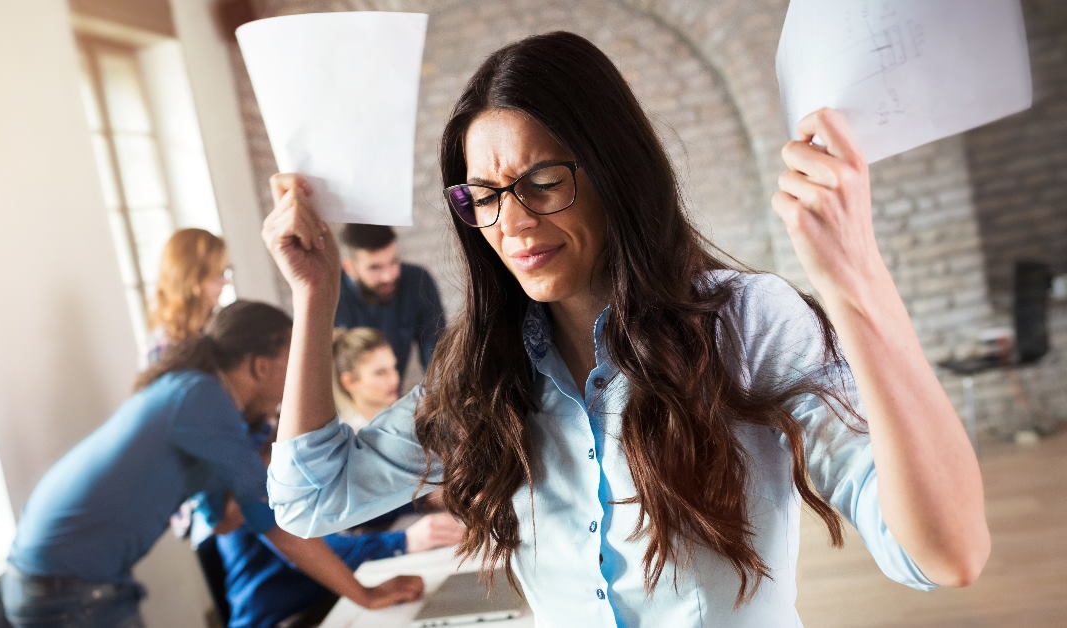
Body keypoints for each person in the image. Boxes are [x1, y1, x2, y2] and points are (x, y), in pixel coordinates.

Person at [259, 31, 989, 627]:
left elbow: (942, 554)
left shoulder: (745, 322)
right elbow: (311, 499)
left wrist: (856, 280)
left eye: (541, 181)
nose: (510, 223)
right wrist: (315, 293)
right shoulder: (485, 372)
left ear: (616, 174)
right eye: (482, 196)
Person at [1, 301, 423, 627]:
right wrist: (364, 595)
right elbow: (275, 523)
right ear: (261, 365)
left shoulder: (194, 397)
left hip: (62, 582)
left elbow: (221, 519)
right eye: (293, 364)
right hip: (65, 588)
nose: (301, 379)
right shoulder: (200, 398)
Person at [210, 427, 465, 628]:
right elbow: (307, 542)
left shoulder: (271, 440)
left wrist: (422, 499)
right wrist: (403, 541)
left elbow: (339, 506)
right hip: (284, 619)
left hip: (326, 603)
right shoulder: (253, 464)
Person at [335, 224, 445, 377]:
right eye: (375, 268)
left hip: (394, 397)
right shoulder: (330, 297)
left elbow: (436, 352)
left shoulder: (418, 281)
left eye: (394, 262)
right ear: (349, 268)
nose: (388, 276)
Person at [146, 227, 231, 364]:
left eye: (226, 271)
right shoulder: (162, 347)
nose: (226, 282)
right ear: (193, 278)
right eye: (218, 274)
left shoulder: (222, 328)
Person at [332, 326, 401, 432]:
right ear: (349, 382)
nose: (394, 379)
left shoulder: (407, 420)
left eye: (394, 368)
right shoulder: (347, 439)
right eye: (380, 373)